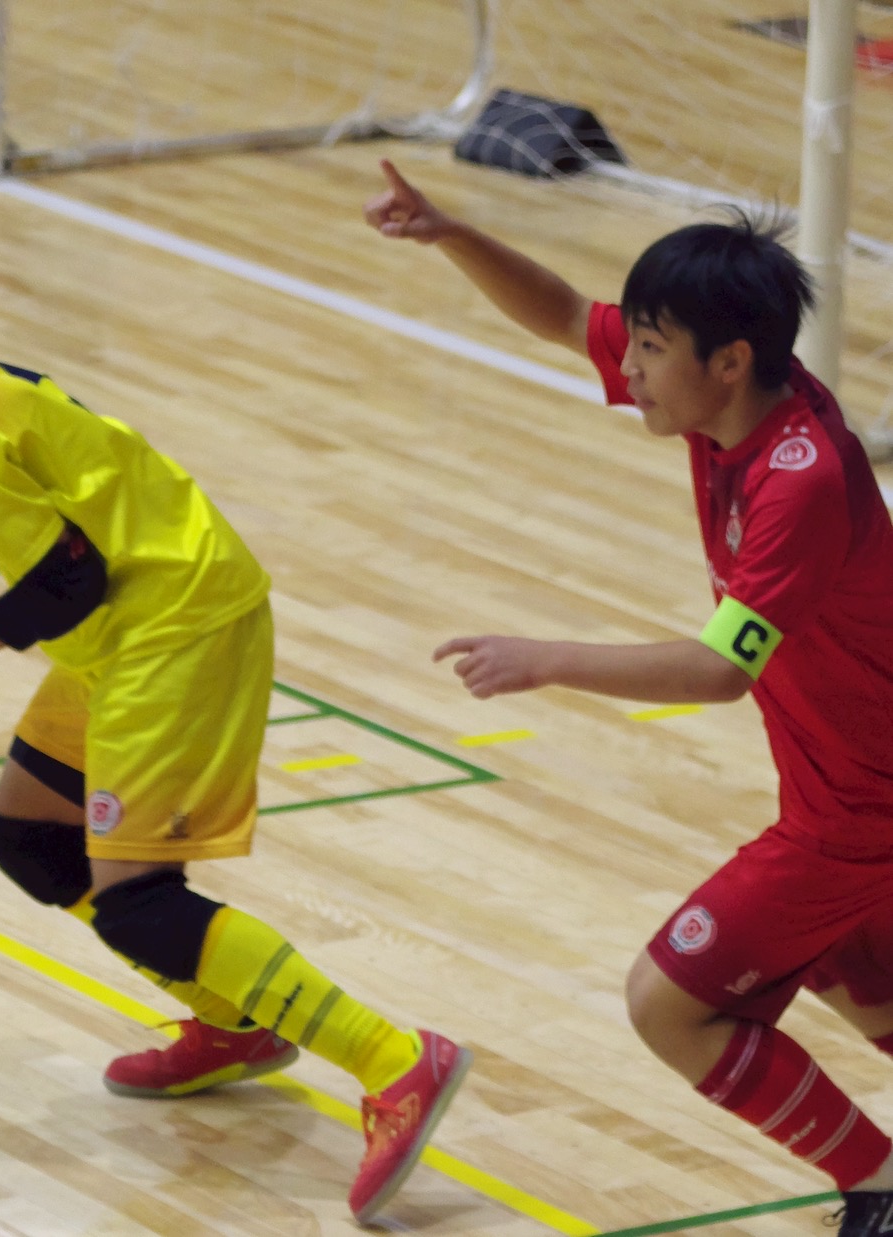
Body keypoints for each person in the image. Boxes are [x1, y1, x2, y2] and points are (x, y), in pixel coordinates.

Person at [0, 210, 469, 1222]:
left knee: (138, 902)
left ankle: (392, 1059)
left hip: (173, 622)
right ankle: (236, 1023)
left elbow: (63, 581)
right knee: (29, 836)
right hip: (126, 621)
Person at [365, 159, 893, 1233]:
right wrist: (451, 232)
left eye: (651, 350)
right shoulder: (731, 399)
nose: (632, 368)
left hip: (859, 808)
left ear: (727, 362)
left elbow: (718, 671)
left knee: (669, 1003)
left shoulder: (800, 482)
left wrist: (544, 658)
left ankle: (878, 1184)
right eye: (637, 344)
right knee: (853, 971)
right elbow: (566, 313)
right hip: (838, 784)